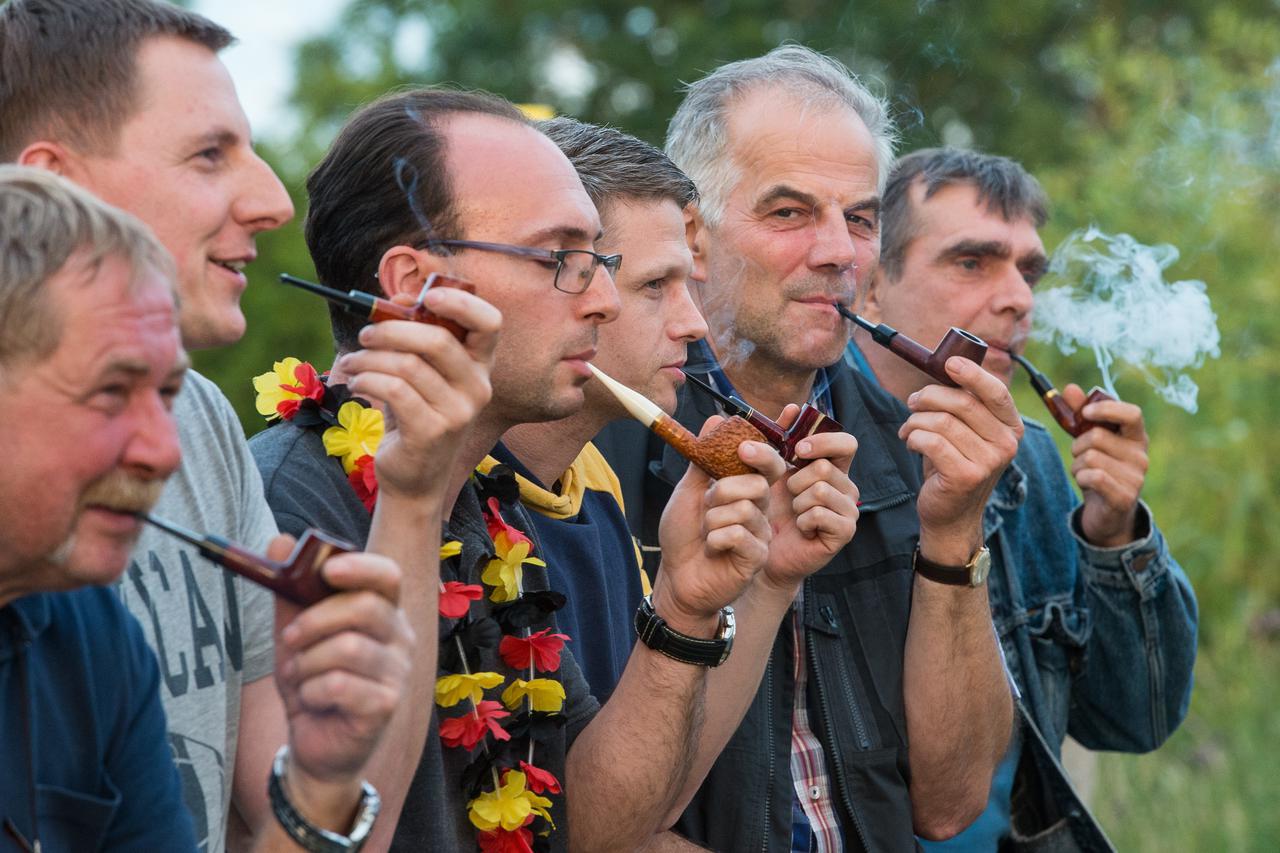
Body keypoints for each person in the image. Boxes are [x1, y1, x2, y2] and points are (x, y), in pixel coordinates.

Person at [0, 2, 489, 847]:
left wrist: (412, 489)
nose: (271, 199)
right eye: (209, 154)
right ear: (54, 182)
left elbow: (340, 830)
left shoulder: (199, 429)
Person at [250, 87, 783, 852]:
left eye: (599, 260)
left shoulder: (490, 511)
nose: (602, 300)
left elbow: (589, 830)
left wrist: (685, 609)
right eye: (563, 259)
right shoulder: (283, 510)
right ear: (414, 288)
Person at [595, 45, 1019, 850]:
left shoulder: (908, 443)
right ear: (695, 238)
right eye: (789, 212)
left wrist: (956, 529)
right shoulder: (602, 439)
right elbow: (582, 818)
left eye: (860, 218)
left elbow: (953, 799)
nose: (840, 254)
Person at [0, 165, 412, 851]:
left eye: (165, 395)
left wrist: (319, 778)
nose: (164, 452)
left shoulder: (88, 629)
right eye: (111, 391)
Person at [848, 147, 1198, 849]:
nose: (1019, 298)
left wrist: (1111, 533)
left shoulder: (1028, 457)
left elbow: (1135, 718)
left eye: (1028, 269)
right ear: (869, 286)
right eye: (972, 261)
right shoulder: (812, 450)